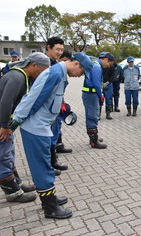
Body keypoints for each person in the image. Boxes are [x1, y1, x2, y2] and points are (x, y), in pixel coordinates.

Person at [11, 52, 93, 219]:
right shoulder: (55, 74)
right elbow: (34, 99)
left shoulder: (60, 75)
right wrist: (15, 121)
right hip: (35, 127)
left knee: (45, 165)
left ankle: (49, 198)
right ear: (76, 64)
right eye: (82, 72)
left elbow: (50, 102)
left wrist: (64, 111)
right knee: (42, 167)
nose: (80, 76)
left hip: (42, 126)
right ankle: (50, 208)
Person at [0, 53, 50, 203]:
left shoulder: (19, 75)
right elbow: (5, 102)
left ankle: (17, 183)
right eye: (42, 70)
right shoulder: (18, 78)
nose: (42, 75)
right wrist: (4, 126)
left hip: (5, 122)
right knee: (3, 156)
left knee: (8, 152)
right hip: (2, 124)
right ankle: (13, 193)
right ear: (34, 65)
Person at [45, 37, 69, 174]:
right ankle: (48, 166)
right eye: (57, 49)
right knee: (45, 138)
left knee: (53, 134)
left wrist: (62, 102)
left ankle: (53, 162)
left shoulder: (55, 63)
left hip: (55, 107)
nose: (60, 52)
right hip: (45, 108)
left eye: (61, 49)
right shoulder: (42, 63)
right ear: (48, 47)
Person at [82, 52, 115, 149]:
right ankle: (94, 142)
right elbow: (97, 83)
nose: (108, 65)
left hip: (90, 94)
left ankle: (93, 138)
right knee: (93, 116)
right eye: (109, 63)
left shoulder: (95, 65)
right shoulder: (96, 67)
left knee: (91, 116)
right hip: (91, 94)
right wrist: (101, 95)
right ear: (105, 59)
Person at [54, 50, 73, 154]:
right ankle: (53, 152)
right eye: (64, 60)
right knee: (55, 124)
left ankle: (59, 145)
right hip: (53, 105)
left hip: (60, 101)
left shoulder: (63, 71)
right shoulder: (55, 70)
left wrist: (62, 102)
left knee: (58, 123)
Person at [101, 53, 115, 120]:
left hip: (109, 84)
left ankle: (108, 114)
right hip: (101, 84)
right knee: (100, 99)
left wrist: (107, 82)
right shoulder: (100, 66)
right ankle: (98, 115)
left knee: (109, 99)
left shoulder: (112, 67)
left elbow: (112, 76)